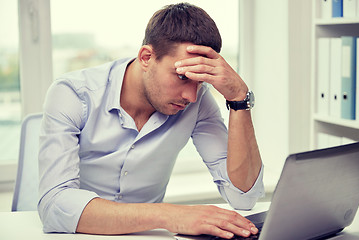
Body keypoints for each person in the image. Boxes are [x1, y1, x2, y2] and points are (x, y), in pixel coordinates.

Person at [38, 2, 264, 239]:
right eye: (181, 76)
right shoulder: (73, 94)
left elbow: (244, 197)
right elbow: (55, 205)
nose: (191, 95)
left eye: (200, 80)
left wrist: (239, 100)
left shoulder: (197, 101)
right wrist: (170, 215)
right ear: (146, 57)